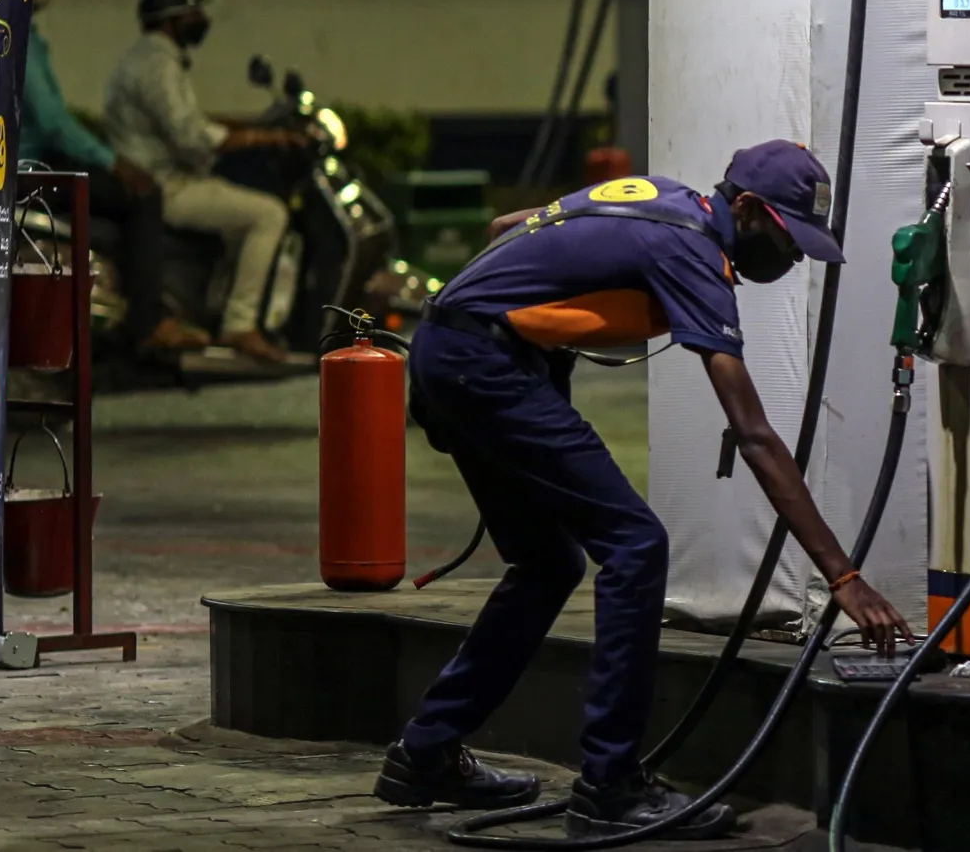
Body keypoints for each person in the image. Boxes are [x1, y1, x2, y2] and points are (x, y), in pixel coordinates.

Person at [373, 142, 911, 839]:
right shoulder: (693, 251)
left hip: (451, 352)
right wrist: (842, 575)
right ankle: (610, 787)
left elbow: (508, 226)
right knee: (635, 543)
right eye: (785, 236)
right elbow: (753, 435)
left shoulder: (664, 199)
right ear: (745, 209)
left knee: (549, 564)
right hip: (486, 369)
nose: (793, 257)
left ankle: (426, 753)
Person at [103, 0, 306, 364]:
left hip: (167, 177)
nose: (201, 20)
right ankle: (240, 324)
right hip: (166, 184)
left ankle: (209, 308)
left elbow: (190, 121)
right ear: (173, 18)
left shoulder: (151, 58)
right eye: (194, 12)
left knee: (242, 215)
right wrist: (267, 139)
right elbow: (192, 136)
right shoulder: (157, 63)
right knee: (269, 215)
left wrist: (254, 126)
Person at [18, 0, 208, 357]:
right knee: (144, 194)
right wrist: (111, 161)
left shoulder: (21, 35)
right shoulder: (18, 40)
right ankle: (147, 323)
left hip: (26, 166)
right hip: (29, 171)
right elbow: (53, 122)